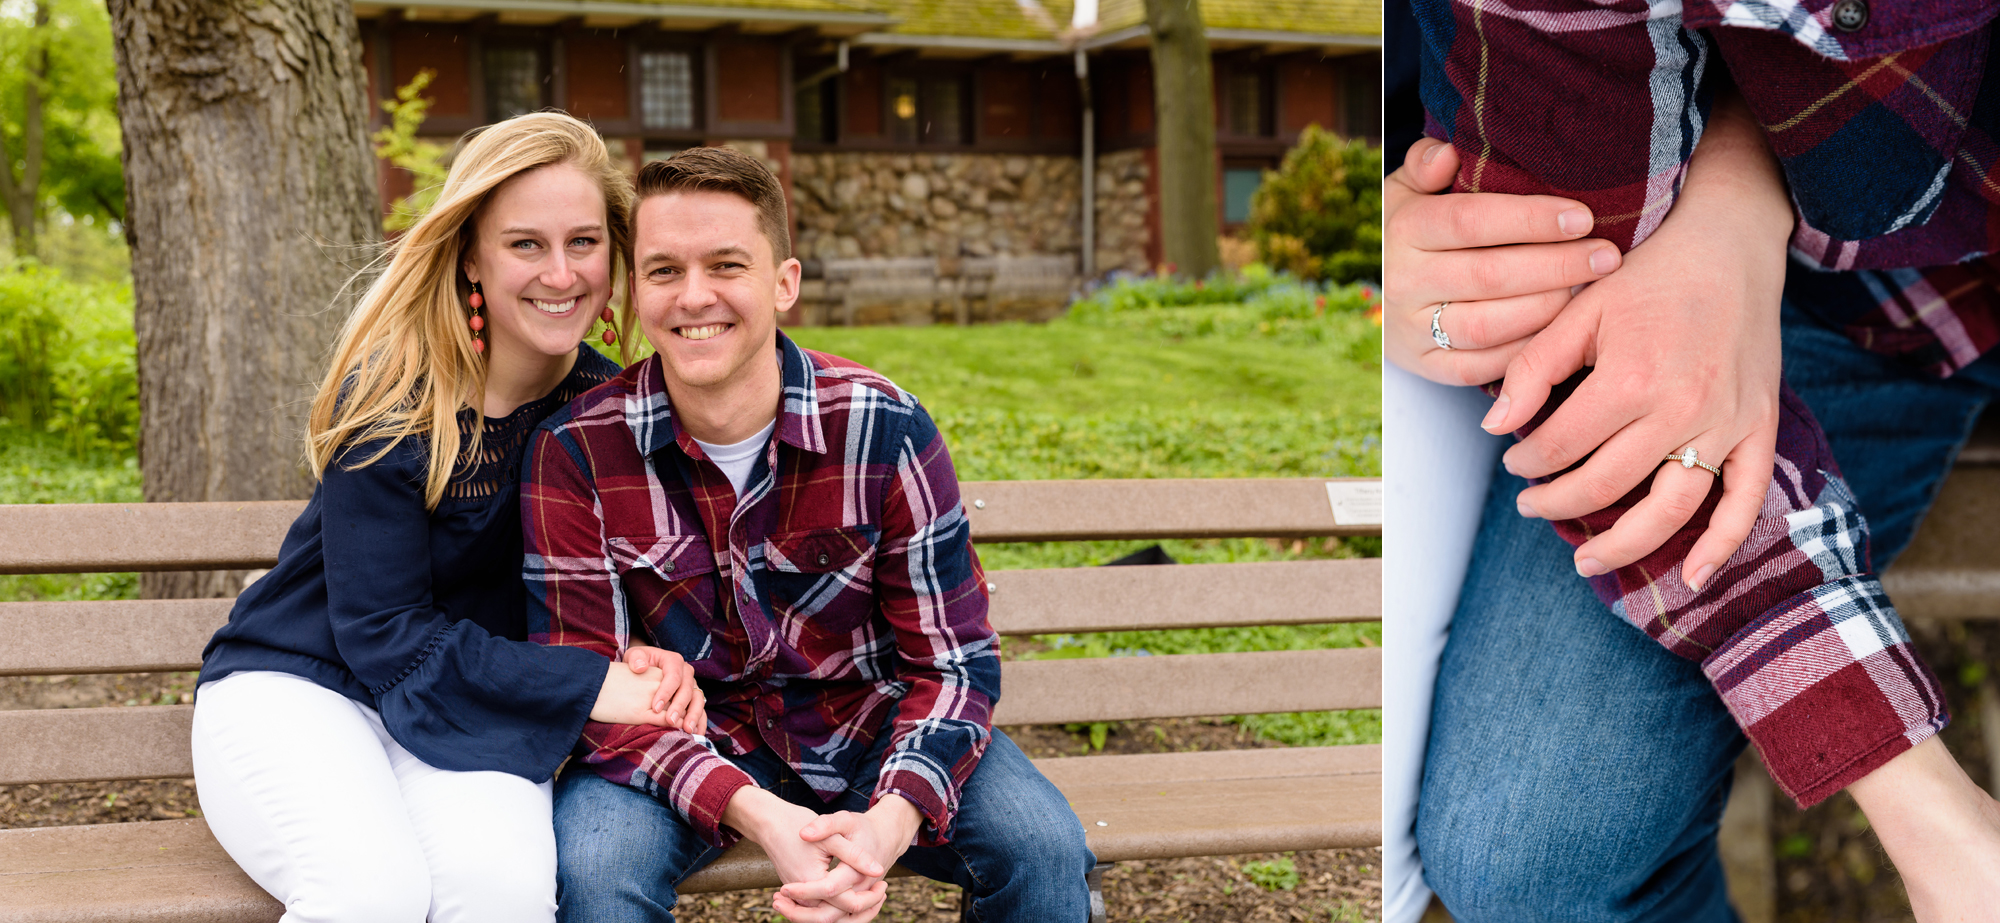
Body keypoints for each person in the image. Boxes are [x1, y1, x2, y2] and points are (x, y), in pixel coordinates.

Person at [1384, 5, 2000, 919]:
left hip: (1845, 254)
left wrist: (1738, 193)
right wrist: (1928, 812)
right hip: (1862, 303)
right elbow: (1594, 325)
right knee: (1538, 856)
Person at [520, 145, 1096, 923]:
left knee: (1044, 848)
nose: (694, 297)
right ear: (634, 291)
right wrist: (754, 809)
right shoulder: (578, 451)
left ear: (783, 282)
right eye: (663, 271)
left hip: (870, 726)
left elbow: (953, 661)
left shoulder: (883, 426)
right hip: (682, 745)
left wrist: (892, 819)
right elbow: (585, 688)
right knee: (593, 868)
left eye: (726, 265)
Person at [192, 112, 705, 923]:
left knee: (502, 894)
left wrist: (641, 653)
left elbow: (600, 580)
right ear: (472, 253)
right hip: (307, 686)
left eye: (583, 243)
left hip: (470, 708)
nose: (560, 273)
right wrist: (593, 682)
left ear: (615, 258)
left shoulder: (612, 414)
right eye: (525, 244)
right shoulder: (398, 399)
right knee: (371, 892)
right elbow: (386, 635)